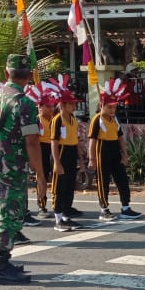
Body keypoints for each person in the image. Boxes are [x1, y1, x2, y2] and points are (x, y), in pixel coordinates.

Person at [0, 54, 47, 284]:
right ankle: (0, 267)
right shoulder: (25, 103)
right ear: (29, 76)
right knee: (11, 214)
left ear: (5, 72)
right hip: (13, 167)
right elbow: (31, 141)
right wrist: (40, 175)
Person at [88, 79, 142, 220]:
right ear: (102, 105)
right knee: (103, 180)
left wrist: (124, 154)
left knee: (122, 179)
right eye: (109, 107)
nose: (112, 110)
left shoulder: (115, 120)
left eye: (114, 107)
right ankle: (104, 209)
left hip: (114, 150)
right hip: (102, 149)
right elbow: (92, 140)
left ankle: (125, 207)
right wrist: (92, 158)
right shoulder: (97, 120)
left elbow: (120, 138)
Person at [50, 88, 82, 231]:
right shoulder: (57, 120)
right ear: (62, 104)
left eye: (74, 104)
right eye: (70, 104)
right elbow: (54, 142)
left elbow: (76, 140)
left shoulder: (73, 119)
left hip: (71, 152)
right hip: (61, 152)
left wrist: (81, 159)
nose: (73, 107)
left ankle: (66, 216)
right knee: (59, 187)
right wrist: (57, 162)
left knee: (70, 186)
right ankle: (57, 219)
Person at [26, 82, 59, 219]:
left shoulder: (55, 119)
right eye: (47, 106)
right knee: (41, 176)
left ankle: (59, 205)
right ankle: (41, 205)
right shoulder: (35, 120)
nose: (50, 109)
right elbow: (30, 140)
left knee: (55, 177)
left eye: (52, 106)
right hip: (40, 149)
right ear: (40, 107)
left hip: (52, 148)